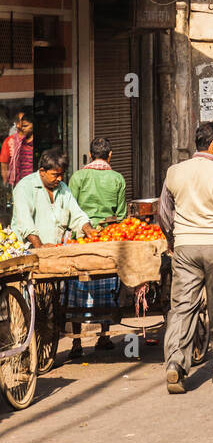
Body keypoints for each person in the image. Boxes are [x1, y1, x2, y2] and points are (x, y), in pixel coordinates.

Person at [159, 121, 213, 393]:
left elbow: (164, 213)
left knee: (182, 307)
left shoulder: (174, 172)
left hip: (184, 247)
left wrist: (173, 240)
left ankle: (175, 365)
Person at [67, 138, 128, 359]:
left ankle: (76, 344)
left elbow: (70, 207)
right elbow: (121, 215)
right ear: (109, 155)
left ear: (90, 155)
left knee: (75, 285)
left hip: (81, 238)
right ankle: (104, 336)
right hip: (107, 239)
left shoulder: (78, 177)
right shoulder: (117, 178)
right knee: (109, 283)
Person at [11, 149, 98, 248]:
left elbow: (77, 214)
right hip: (28, 252)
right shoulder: (25, 187)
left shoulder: (63, 188)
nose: (60, 179)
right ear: (42, 171)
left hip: (55, 250)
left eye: (62, 174)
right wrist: (39, 246)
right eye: (55, 175)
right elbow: (25, 222)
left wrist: (88, 229)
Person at [1, 110, 35, 187]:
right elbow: (4, 166)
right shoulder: (9, 141)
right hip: (18, 184)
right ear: (17, 124)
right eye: (21, 120)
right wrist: (5, 184)